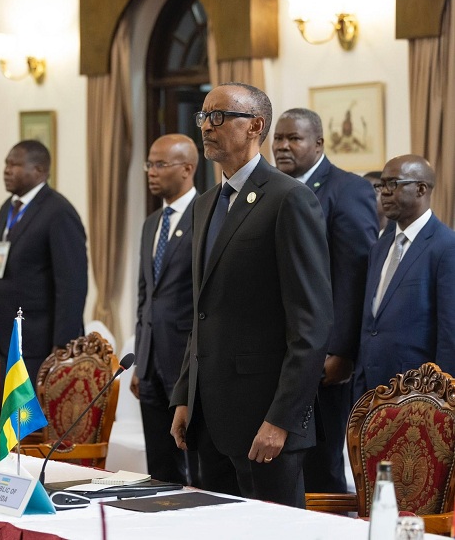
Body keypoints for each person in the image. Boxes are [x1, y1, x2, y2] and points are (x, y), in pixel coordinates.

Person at [169, 82, 333, 508]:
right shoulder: (205, 204)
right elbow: (202, 312)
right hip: (208, 418)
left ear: (255, 126)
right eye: (203, 116)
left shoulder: (289, 199)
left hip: (265, 420)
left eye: (219, 116)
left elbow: (311, 325)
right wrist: (185, 397)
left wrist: (282, 419)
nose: (206, 126)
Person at [273, 108, 379, 493]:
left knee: (321, 467)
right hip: (278, 351)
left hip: (324, 357)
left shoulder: (348, 189)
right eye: (278, 138)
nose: (283, 146)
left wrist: (342, 351)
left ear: (318, 143)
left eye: (294, 139)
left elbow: (355, 275)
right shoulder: (273, 189)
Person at [0, 140, 87, 399]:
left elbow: (72, 284)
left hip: (40, 343)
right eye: (6, 163)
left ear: (39, 170)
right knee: (11, 419)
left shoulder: (58, 211)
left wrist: (63, 344)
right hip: (9, 338)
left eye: (15, 164)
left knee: (31, 420)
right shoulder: (7, 208)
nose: (7, 170)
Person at [130, 134, 200, 486]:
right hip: (151, 364)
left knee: (195, 464)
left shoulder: (206, 216)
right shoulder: (152, 222)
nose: (151, 172)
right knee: (159, 466)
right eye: (149, 164)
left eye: (160, 164)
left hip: (186, 360)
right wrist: (140, 360)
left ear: (187, 168)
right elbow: (146, 296)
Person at [355, 155, 455, 397]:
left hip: (419, 391)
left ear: (421, 189)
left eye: (393, 183)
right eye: (381, 185)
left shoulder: (446, 246)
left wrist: (441, 397)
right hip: (371, 388)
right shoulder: (380, 247)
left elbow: (450, 332)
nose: (384, 192)